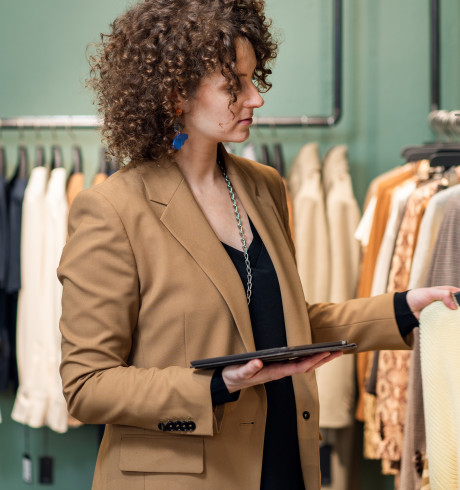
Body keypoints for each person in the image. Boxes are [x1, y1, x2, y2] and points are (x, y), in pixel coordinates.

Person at [57, 1, 459, 489]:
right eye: (234, 86)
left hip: (285, 460)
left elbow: (281, 327)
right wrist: (216, 384)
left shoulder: (263, 185)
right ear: (174, 95)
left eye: (254, 80)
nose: (256, 99)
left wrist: (402, 310)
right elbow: (87, 385)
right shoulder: (113, 208)